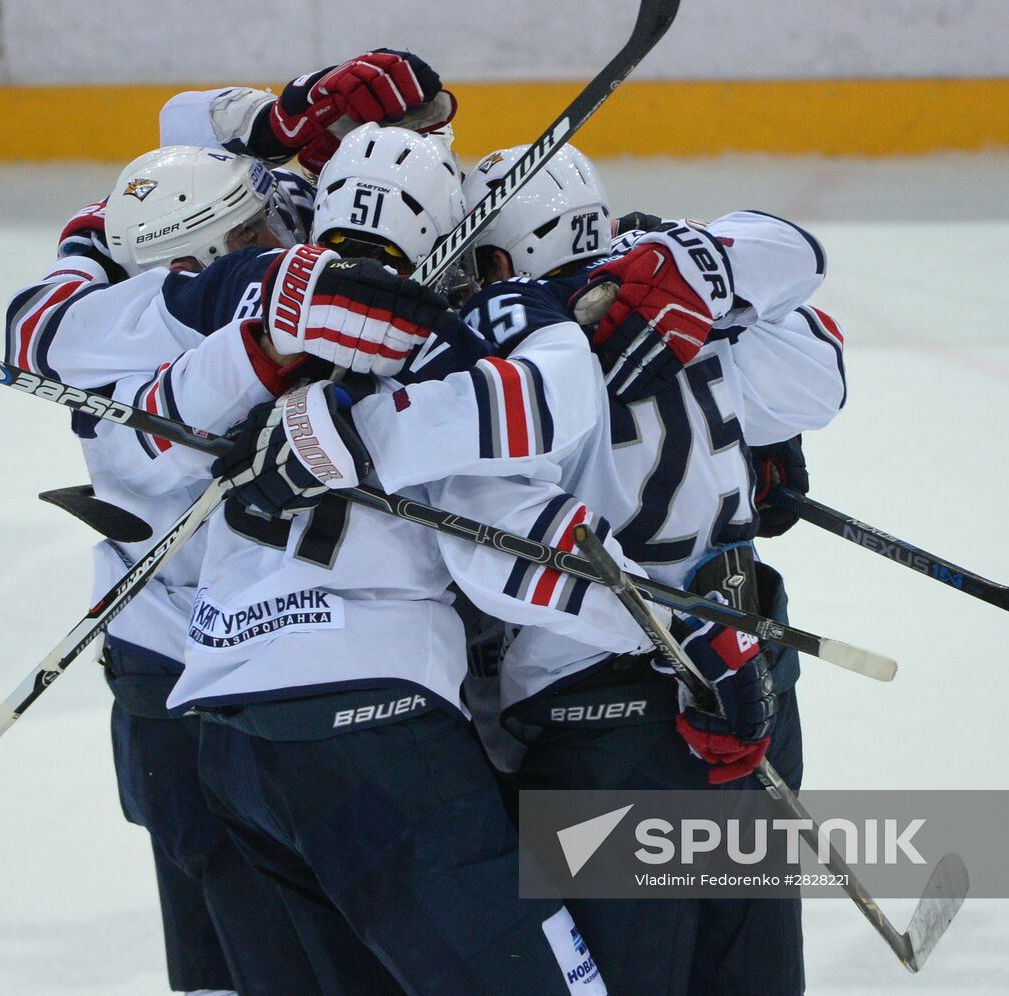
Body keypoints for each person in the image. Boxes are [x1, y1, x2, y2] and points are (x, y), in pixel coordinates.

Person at [231, 141, 846, 994]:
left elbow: (497, 545)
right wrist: (720, 295)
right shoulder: (681, 297)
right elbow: (818, 376)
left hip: (610, 712)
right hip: (757, 678)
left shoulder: (512, 328)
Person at [6, 144, 325, 995]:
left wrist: (276, 123)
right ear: (193, 260)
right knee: (226, 917)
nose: (279, 235)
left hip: (254, 673)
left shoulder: (152, 310)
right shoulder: (136, 356)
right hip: (183, 676)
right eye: (255, 229)